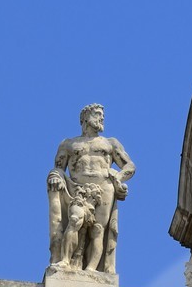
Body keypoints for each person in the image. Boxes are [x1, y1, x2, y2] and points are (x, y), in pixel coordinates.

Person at [47, 105, 135, 274]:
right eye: (98, 115)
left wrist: (118, 178)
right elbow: (58, 168)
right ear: (86, 118)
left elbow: (130, 166)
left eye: (103, 115)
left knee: (98, 229)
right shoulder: (68, 144)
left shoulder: (110, 143)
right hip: (77, 189)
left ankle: (92, 270)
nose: (102, 118)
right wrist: (55, 175)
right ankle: (65, 260)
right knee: (74, 221)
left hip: (104, 188)